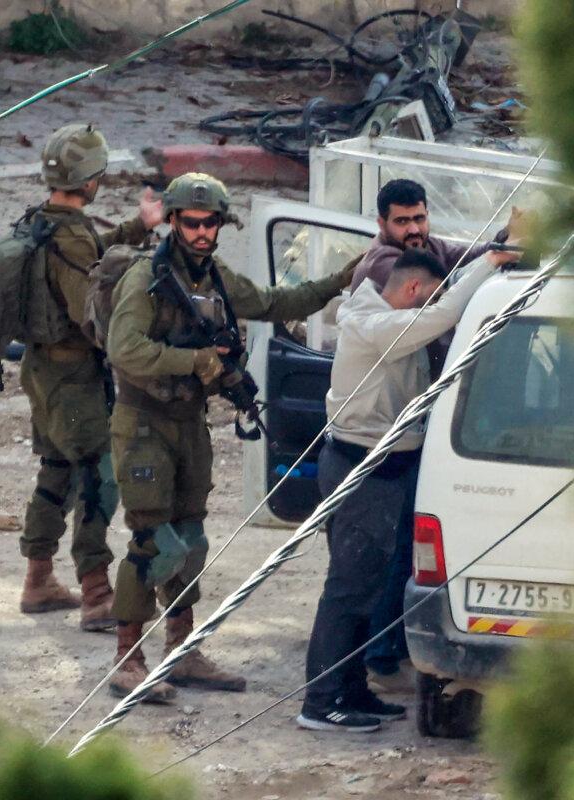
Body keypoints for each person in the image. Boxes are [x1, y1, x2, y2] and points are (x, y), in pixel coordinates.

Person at [104, 172, 357, 702]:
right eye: (191, 222)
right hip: (144, 422)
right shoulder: (144, 280)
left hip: (187, 424)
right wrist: (196, 361)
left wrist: (338, 281)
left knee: (191, 537)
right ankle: (128, 659)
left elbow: (271, 302)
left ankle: (183, 649)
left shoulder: (213, 278)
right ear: (172, 222)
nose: (200, 231)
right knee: (153, 540)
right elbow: (124, 349)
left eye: (210, 222)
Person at [298, 245, 516, 733]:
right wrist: (490, 263)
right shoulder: (375, 326)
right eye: (429, 296)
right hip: (362, 471)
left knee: (368, 588)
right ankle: (321, 701)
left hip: (382, 469)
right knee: (349, 589)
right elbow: (443, 314)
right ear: (413, 290)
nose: (431, 306)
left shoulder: (387, 318)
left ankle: (351, 690)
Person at [17, 123, 163, 632]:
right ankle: (97, 594)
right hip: (74, 377)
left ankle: (38, 579)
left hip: (40, 370)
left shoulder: (39, 223)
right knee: (99, 477)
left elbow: (86, 252)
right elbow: (89, 313)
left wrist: (137, 227)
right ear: (90, 179)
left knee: (55, 470)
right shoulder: (70, 235)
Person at [347, 178, 495, 293]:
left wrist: (505, 239)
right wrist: (493, 259)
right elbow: (441, 294)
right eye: (402, 221)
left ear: (427, 215)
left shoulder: (427, 245)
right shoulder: (380, 263)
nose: (414, 230)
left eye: (419, 219)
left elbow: (467, 257)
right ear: (382, 224)